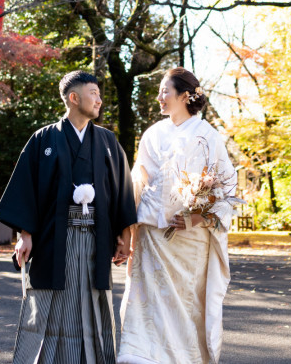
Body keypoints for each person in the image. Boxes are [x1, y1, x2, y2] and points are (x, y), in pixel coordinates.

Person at [0, 70, 137, 364]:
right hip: (54, 238)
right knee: (48, 303)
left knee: (93, 304)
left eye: (99, 94)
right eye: (93, 93)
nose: (99, 99)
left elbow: (123, 188)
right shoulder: (42, 139)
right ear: (74, 98)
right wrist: (25, 235)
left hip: (97, 238)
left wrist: (125, 234)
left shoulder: (108, 142)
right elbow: (26, 189)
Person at [118, 67, 236, 364]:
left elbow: (227, 188)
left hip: (190, 241)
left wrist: (196, 217)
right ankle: (140, 358)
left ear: (184, 96)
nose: (159, 97)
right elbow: (137, 182)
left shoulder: (207, 136)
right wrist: (125, 233)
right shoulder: (153, 133)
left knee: (185, 306)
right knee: (146, 305)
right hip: (151, 237)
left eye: (164, 91)